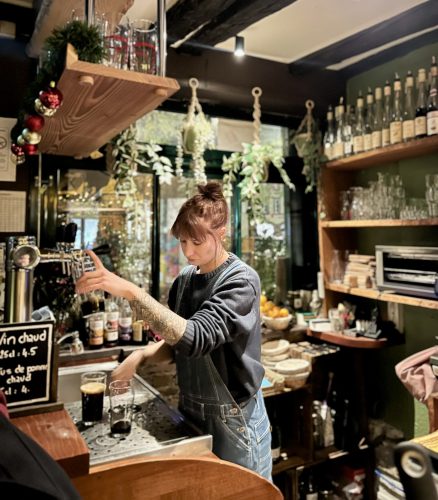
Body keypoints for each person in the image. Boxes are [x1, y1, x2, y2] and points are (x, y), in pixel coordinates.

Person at [76, 181, 272, 480]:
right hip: (191, 412)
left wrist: (130, 291)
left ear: (221, 233)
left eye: (196, 241)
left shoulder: (241, 281)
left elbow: (196, 338)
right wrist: (140, 356)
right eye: (182, 242)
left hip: (234, 423)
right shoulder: (184, 281)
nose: (187, 251)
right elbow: (177, 343)